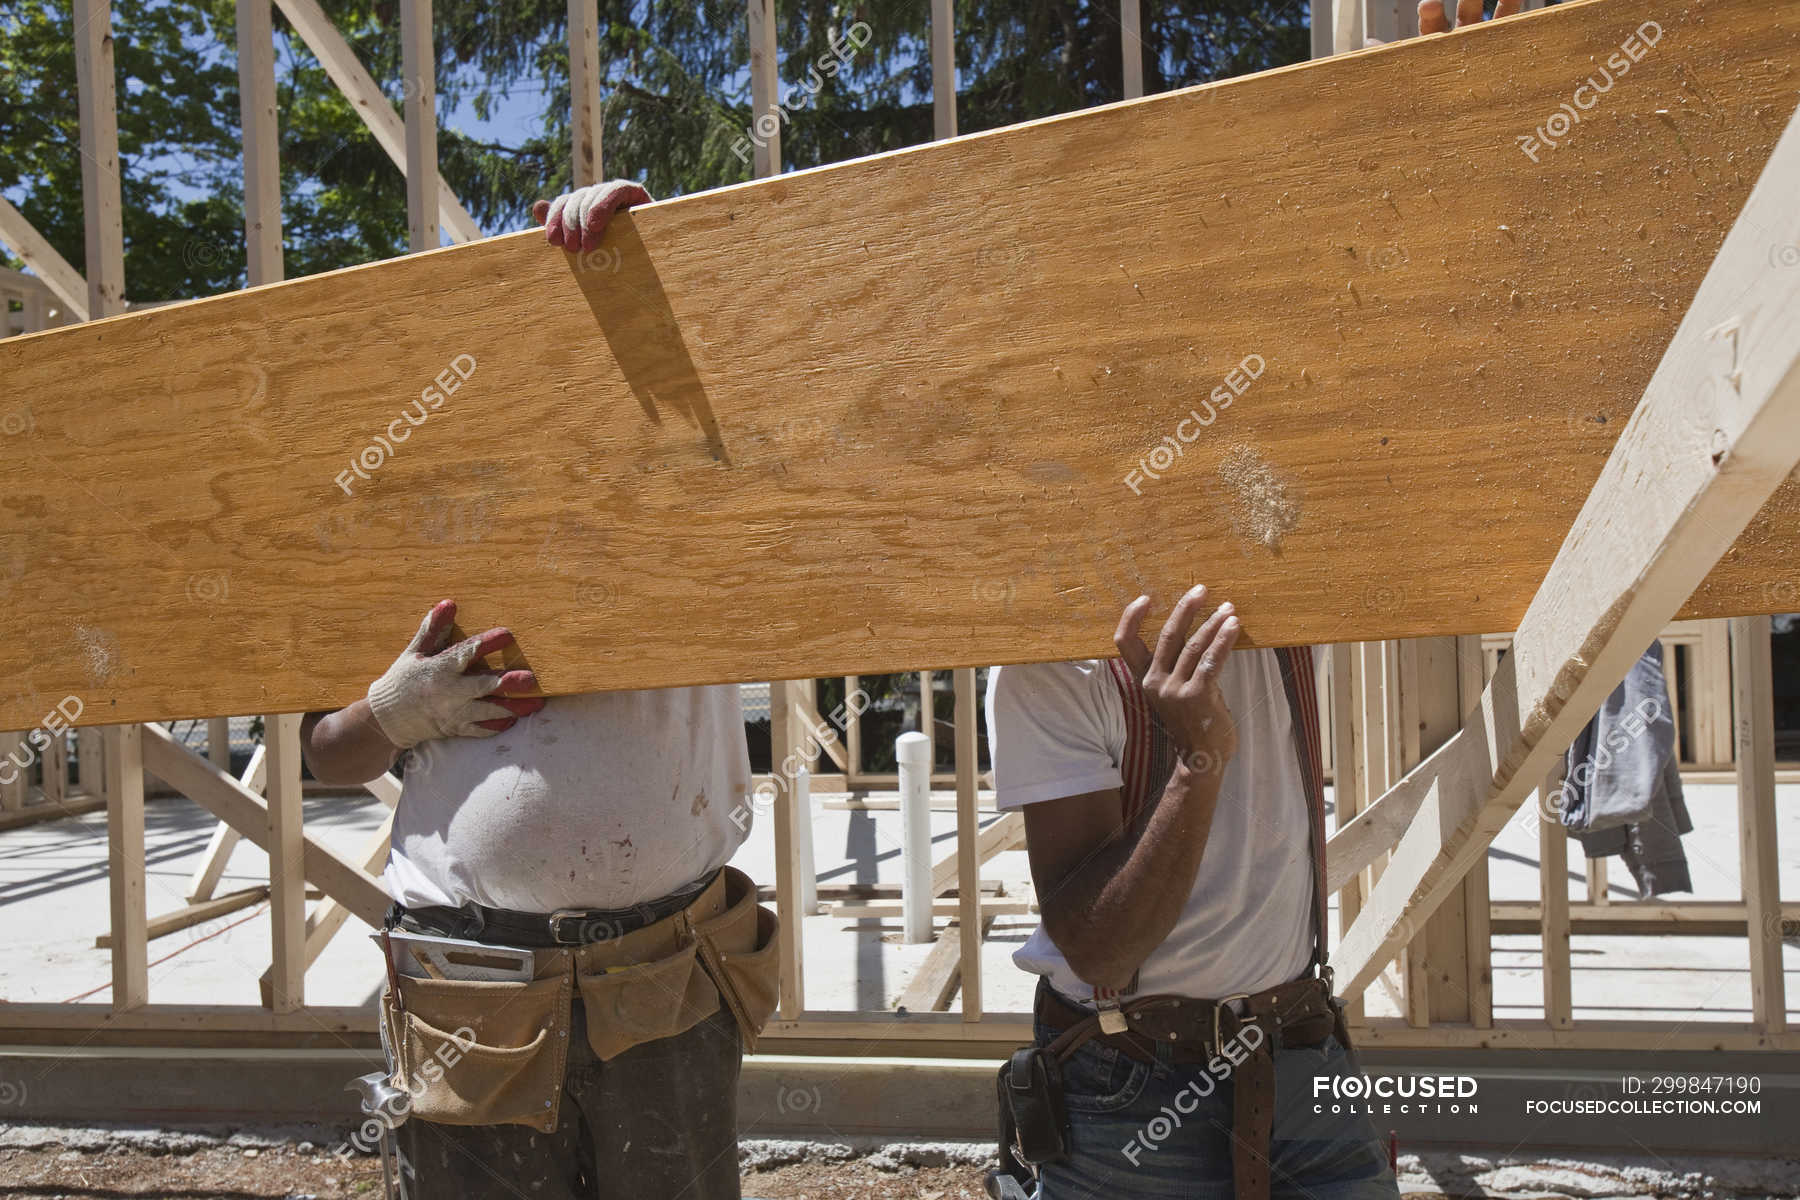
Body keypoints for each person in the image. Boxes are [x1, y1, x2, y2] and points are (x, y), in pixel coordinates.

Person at [301, 182, 774, 1200]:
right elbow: (327, 757)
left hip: (664, 973)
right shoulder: (399, 520)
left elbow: (758, 373)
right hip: (471, 988)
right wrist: (391, 713)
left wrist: (647, 274)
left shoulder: (698, 496)